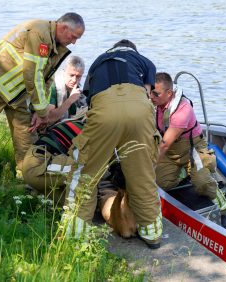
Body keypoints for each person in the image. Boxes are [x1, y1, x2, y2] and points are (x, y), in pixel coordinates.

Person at [0, 13, 85, 178]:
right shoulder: (39, 33)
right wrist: (43, 113)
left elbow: (45, 78)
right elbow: (33, 75)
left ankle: (27, 179)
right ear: (63, 27)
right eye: (74, 37)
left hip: (20, 90)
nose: (74, 42)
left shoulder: (56, 42)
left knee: (27, 133)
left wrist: (39, 109)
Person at [64, 39, 162, 249]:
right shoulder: (144, 61)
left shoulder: (97, 63)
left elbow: (91, 106)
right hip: (139, 111)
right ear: (133, 50)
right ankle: (151, 233)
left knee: (86, 173)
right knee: (142, 174)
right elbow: (146, 94)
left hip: (104, 111)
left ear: (112, 49)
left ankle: (75, 234)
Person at [22, 117, 136, 238]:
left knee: (86, 200)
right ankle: (75, 231)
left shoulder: (89, 129)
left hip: (41, 166)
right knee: (88, 174)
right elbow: (91, 166)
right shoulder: (91, 133)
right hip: (39, 164)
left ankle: (35, 191)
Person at [152, 72, 226, 229]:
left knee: (201, 181)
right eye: (150, 92)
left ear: (169, 93)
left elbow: (165, 144)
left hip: (192, 148)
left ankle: (221, 204)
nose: (151, 96)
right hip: (172, 152)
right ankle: (184, 172)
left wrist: (148, 166)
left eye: (156, 93)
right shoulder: (155, 104)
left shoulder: (182, 109)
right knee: (159, 182)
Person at [46, 55, 87, 125]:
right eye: (71, 75)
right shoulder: (53, 86)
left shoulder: (76, 88)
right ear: (64, 72)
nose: (74, 80)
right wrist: (70, 100)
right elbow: (49, 118)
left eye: (78, 76)